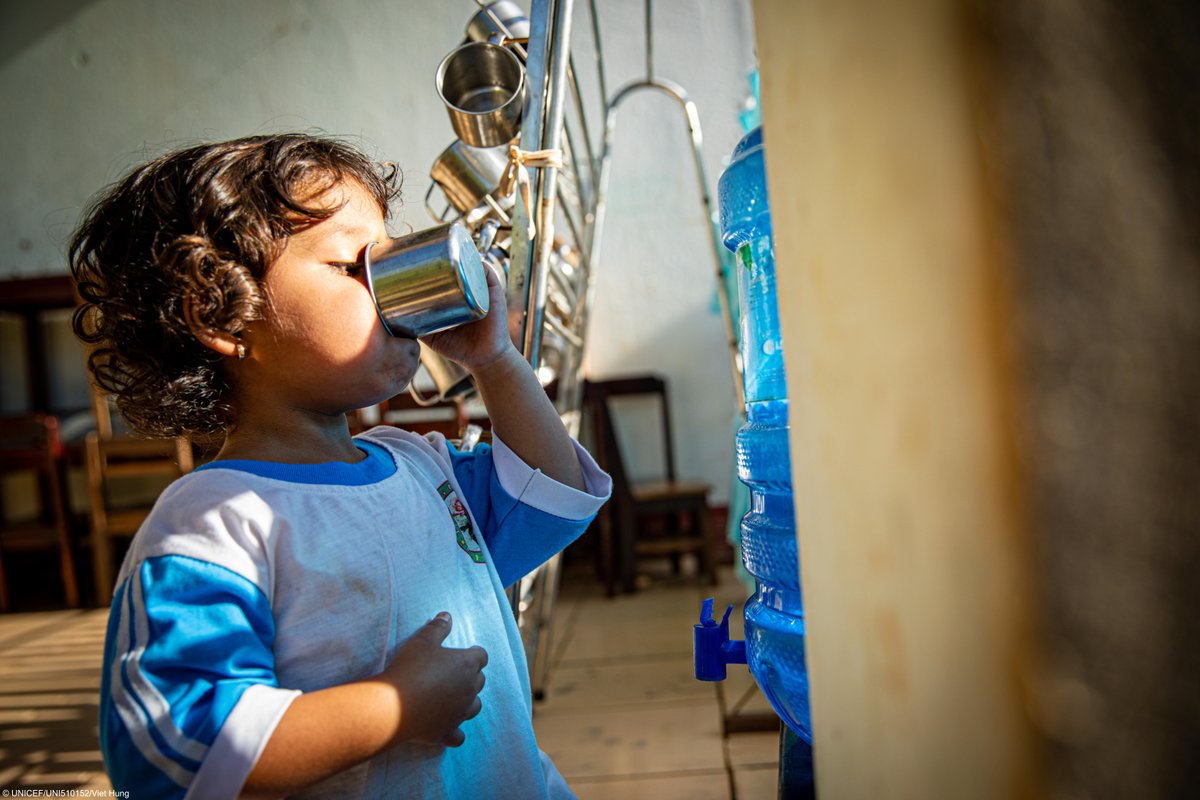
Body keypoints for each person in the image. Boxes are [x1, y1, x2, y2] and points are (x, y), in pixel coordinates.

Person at [69, 133, 610, 799]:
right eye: (353, 267)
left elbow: (551, 492)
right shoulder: (214, 524)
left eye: (389, 257)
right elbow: (175, 746)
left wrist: (493, 359)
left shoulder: (420, 470)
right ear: (220, 313)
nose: (388, 289)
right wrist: (391, 708)